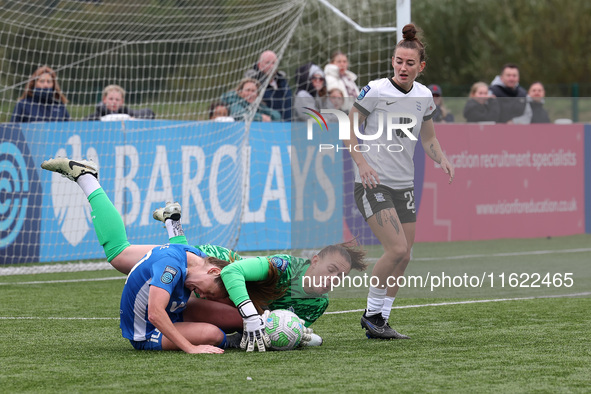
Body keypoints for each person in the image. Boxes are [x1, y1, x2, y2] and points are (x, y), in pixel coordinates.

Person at [39, 158, 243, 354]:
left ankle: (172, 223)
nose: (204, 296)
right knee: (214, 334)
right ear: (214, 270)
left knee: (234, 318)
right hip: (147, 332)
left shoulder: (195, 256)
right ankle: (86, 177)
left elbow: (184, 257)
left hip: (175, 305)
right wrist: (191, 348)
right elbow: (155, 313)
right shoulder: (172, 265)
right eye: (209, 292)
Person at [345, 24, 454, 340]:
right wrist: (362, 163)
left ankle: (382, 321)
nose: (403, 68)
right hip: (372, 184)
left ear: (421, 67)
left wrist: (442, 158)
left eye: (410, 63)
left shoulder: (424, 96)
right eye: (398, 61)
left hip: (404, 186)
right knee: (395, 248)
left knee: (405, 255)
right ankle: (371, 314)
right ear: (392, 61)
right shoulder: (376, 90)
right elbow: (348, 128)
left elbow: (429, 138)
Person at [153, 201, 368, 329]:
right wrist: (251, 316)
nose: (333, 280)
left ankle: (172, 222)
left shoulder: (319, 304)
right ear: (315, 260)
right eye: (331, 270)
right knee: (133, 259)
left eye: (340, 277)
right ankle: (173, 224)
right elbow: (231, 271)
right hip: (221, 264)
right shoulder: (285, 266)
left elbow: (288, 328)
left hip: (231, 299)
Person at [244, 50, 293, 121]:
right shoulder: (252, 83)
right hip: (264, 126)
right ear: (259, 65)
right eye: (268, 63)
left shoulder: (283, 82)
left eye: (274, 63)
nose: (271, 66)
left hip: (286, 126)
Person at [85, 84, 155, 121]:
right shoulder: (96, 116)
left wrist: (131, 118)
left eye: (117, 99)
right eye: (111, 99)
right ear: (104, 99)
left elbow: (149, 113)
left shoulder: (125, 112)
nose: (114, 102)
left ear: (122, 101)